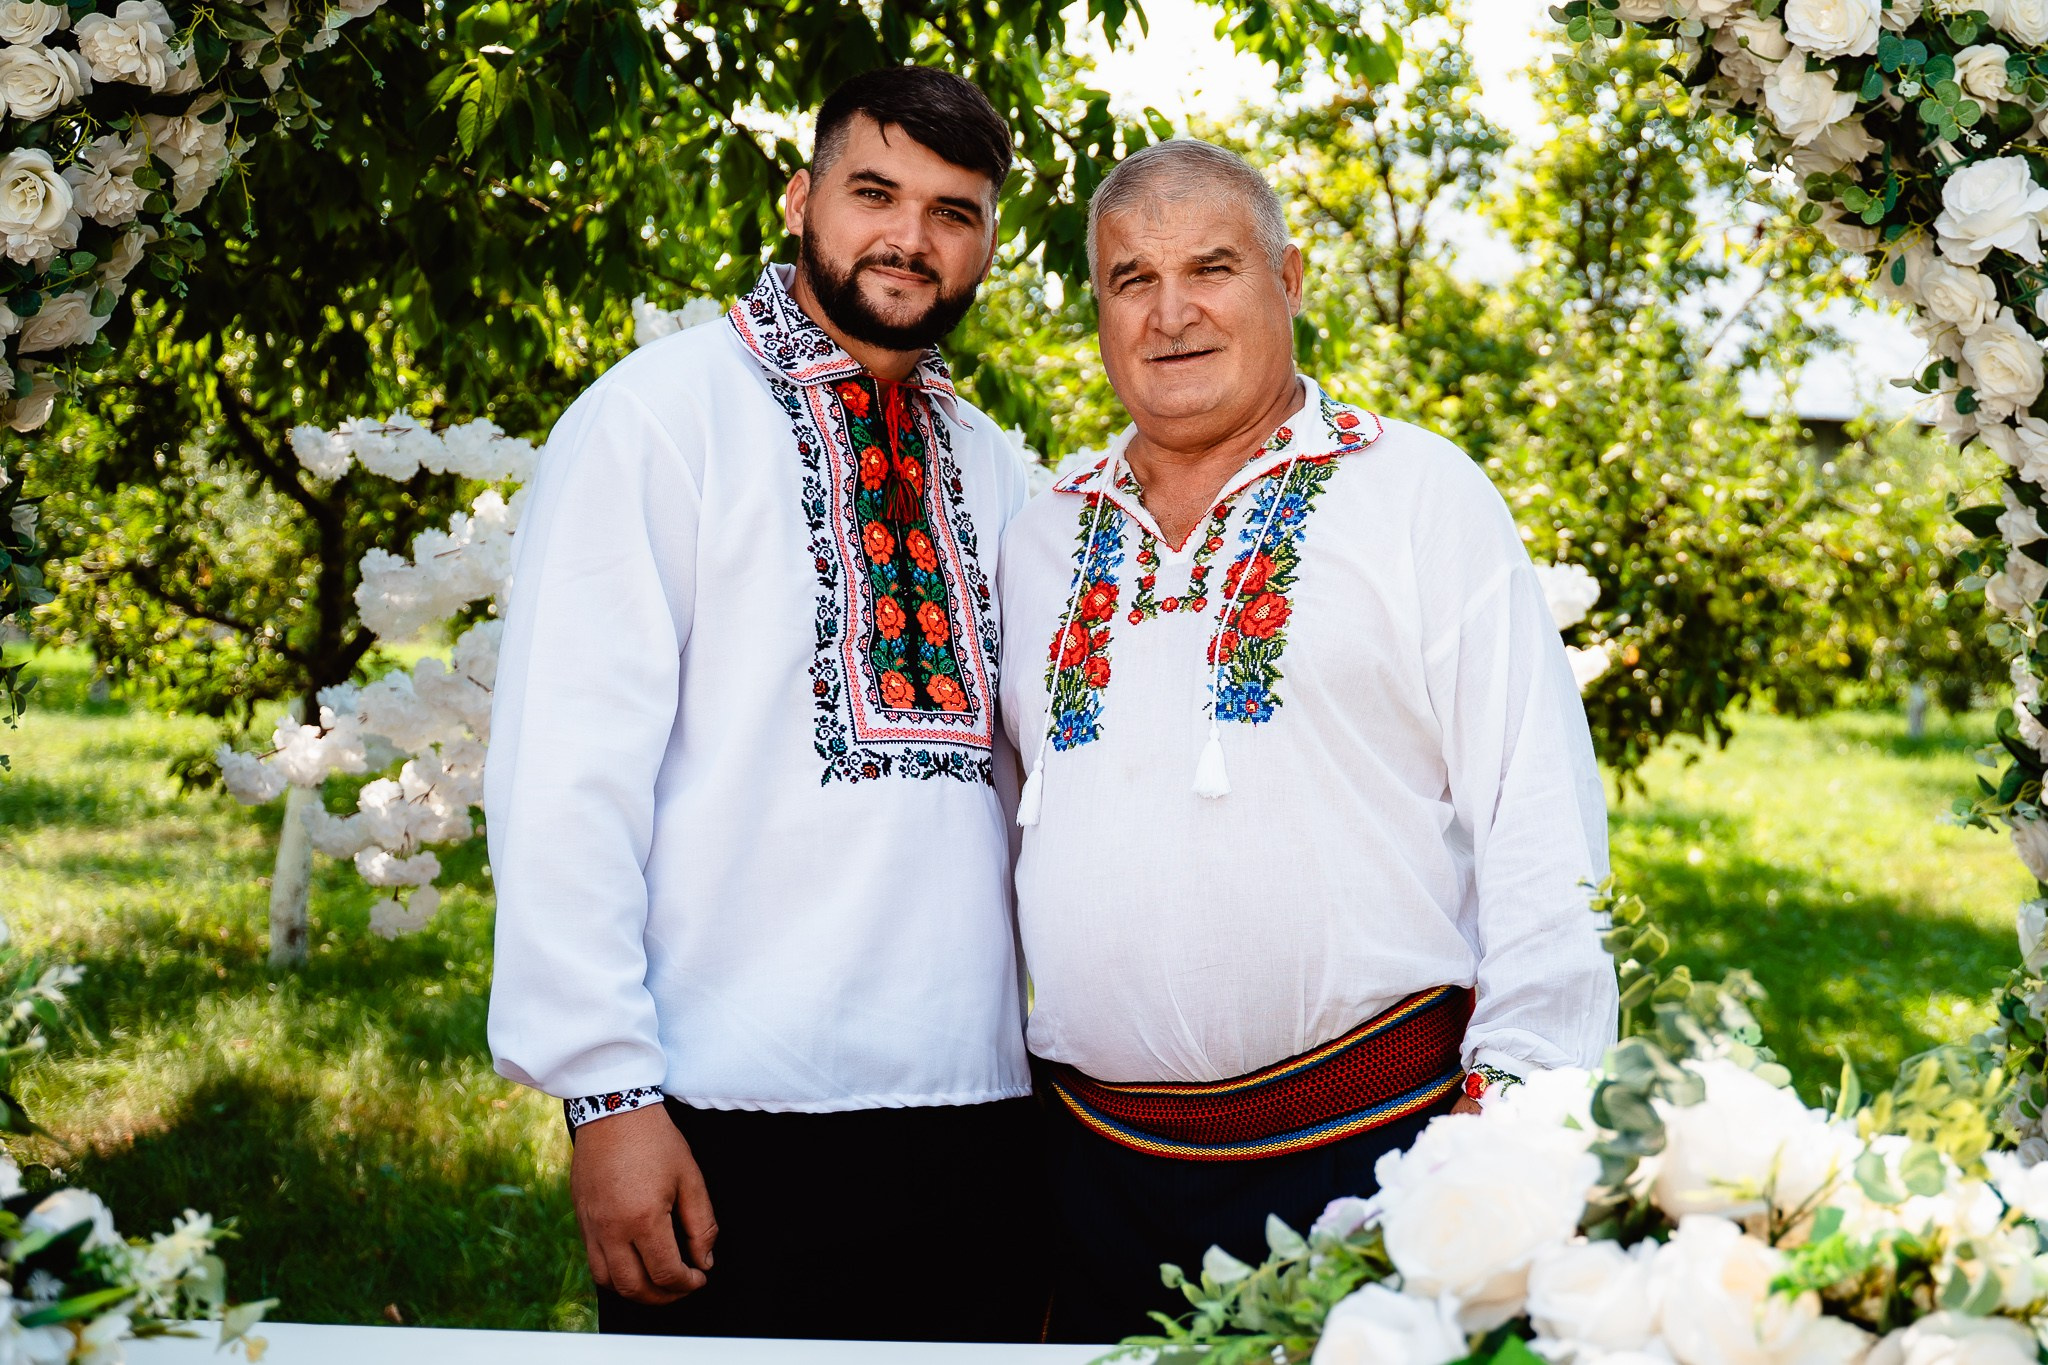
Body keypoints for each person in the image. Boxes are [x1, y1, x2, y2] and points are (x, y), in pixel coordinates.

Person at [996, 138, 1618, 1344]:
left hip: (1377, 1151)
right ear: (1098, 308)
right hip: (1094, 1172)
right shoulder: (1038, 536)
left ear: (1287, 278)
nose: (1170, 314)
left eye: (1210, 268)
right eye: (1131, 279)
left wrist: (1516, 1127)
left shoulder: (1418, 496)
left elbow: (1535, 814)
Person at [486, 67, 1047, 1342]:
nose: (911, 236)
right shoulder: (655, 421)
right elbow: (566, 779)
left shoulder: (992, 461)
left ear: (985, 245)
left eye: (953, 212)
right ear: (800, 202)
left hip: (982, 1108)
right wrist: (603, 1097)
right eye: (874, 193)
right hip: (724, 1118)